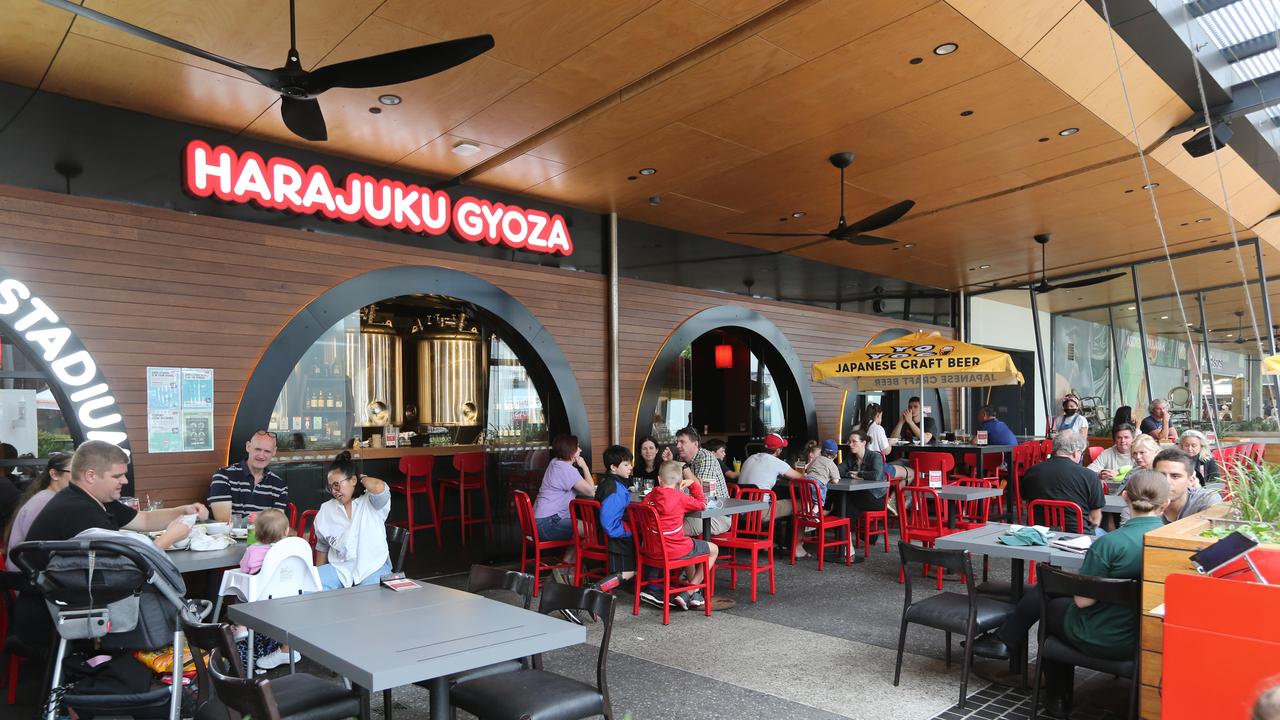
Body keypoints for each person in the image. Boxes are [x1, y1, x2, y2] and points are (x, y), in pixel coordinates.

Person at [971, 469, 1171, 716]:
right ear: (1166, 504)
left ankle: (1057, 698)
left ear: (1126, 498)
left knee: (1050, 607)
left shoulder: (1109, 544)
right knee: (1049, 597)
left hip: (1103, 636)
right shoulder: (1171, 542)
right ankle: (1006, 643)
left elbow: (1083, 601)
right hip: (1150, 639)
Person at [17, 441, 208, 651]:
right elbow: (125, 565)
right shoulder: (79, 511)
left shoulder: (91, 498)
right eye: (117, 476)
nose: (124, 481)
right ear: (91, 476)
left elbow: (143, 519)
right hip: (56, 614)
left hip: (72, 601)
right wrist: (169, 538)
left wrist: (185, 510)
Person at [640, 460, 718, 609]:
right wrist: (693, 485)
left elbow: (645, 506)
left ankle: (693, 595)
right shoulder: (681, 498)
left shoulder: (650, 496)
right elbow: (702, 504)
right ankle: (691, 590)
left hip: (652, 549)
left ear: (659, 479)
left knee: (689, 544)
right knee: (713, 549)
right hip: (674, 549)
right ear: (680, 481)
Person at [313, 451, 391, 590]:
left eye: (337, 485)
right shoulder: (326, 510)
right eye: (330, 487)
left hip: (373, 567)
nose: (334, 491)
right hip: (340, 568)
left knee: (371, 600)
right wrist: (318, 579)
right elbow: (322, 546)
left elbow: (379, 487)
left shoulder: (370, 501)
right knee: (310, 584)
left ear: (353, 480)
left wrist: (360, 477)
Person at [231, 508, 298, 670]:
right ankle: (287, 648)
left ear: (257, 532)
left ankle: (241, 626)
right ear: (286, 531)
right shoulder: (291, 550)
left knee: (239, 595)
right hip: (285, 599)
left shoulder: (253, 550)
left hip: (257, 602)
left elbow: (244, 570)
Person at [533, 433, 595, 576]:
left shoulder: (555, 462)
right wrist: (584, 467)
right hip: (548, 523)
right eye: (577, 447)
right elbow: (590, 491)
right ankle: (566, 567)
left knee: (581, 529)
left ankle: (566, 565)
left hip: (538, 521)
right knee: (590, 530)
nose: (580, 450)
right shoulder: (566, 469)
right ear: (571, 451)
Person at [1020, 432, 1104, 535]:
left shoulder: (1032, 472)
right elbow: (1095, 520)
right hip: (1078, 538)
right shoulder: (1090, 476)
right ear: (1076, 453)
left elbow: (1024, 497)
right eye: (1082, 454)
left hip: (1040, 536)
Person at [4, 452, 72, 572]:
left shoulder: (49, 498)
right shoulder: (45, 502)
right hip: (26, 576)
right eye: (74, 473)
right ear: (54, 474)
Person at [1121, 448, 1221, 524]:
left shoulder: (1205, 501)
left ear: (1190, 480)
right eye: (1161, 475)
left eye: (1175, 476)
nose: (1167, 482)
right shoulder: (1139, 503)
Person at [208, 429, 289, 522]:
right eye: (258, 449)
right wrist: (262, 519)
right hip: (228, 536)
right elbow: (223, 521)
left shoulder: (279, 485)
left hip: (263, 536)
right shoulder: (223, 476)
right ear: (248, 447)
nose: (261, 455)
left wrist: (259, 519)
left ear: (274, 452)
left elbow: (277, 524)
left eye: (267, 451)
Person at [674, 427, 731, 537]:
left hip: (716, 515)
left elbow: (703, 492)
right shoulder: (680, 459)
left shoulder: (706, 457)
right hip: (691, 512)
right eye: (677, 442)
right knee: (662, 525)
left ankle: (691, 552)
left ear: (695, 444)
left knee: (673, 531)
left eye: (682, 442)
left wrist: (685, 468)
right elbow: (673, 487)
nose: (678, 446)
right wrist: (669, 463)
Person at [595, 445, 636, 582]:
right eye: (626, 464)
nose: (630, 467)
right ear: (613, 467)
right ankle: (599, 587)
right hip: (612, 538)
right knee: (644, 540)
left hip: (601, 533)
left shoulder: (606, 482)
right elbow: (610, 525)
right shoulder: (615, 489)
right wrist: (630, 532)